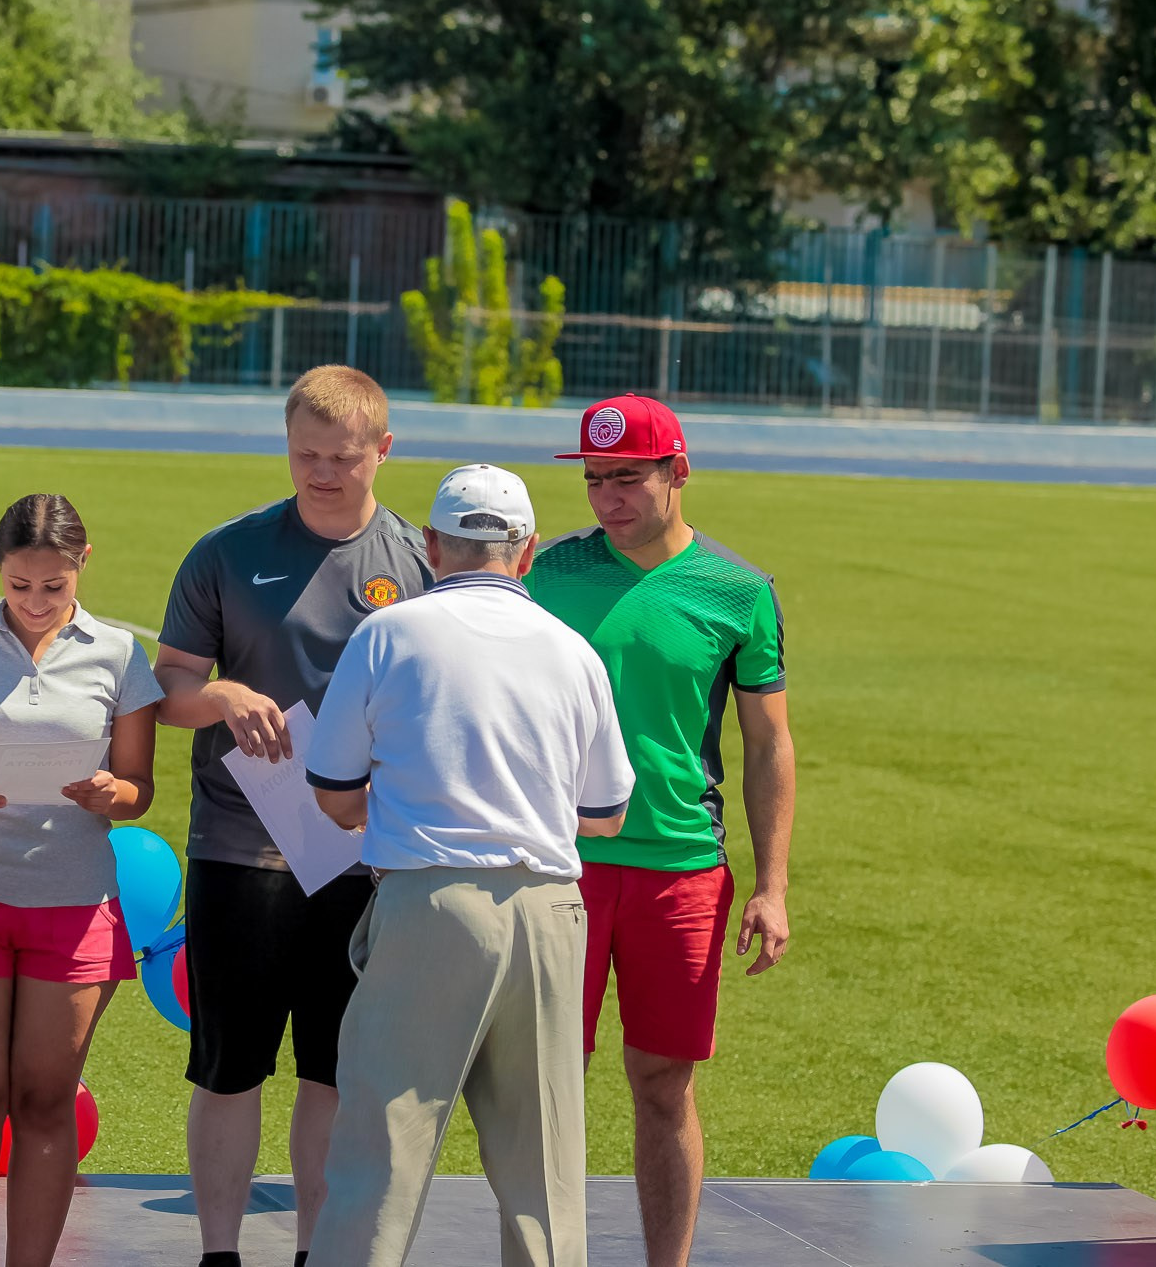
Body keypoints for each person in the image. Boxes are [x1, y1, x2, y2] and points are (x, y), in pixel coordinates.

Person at [301, 463, 635, 1267]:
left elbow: (334, 793)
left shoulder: (389, 633)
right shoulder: (572, 649)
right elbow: (608, 812)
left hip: (431, 903)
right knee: (545, 1171)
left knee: (382, 1158)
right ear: (527, 553)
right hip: (551, 909)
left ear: (431, 546)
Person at [154, 365, 432, 1267]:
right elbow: (170, 687)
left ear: (383, 450)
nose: (320, 472)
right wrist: (223, 692)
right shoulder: (225, 553)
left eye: (342, 457)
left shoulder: (422, 564)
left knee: (334, 1071)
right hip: (242, 850)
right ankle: (220, 1253)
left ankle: (318, 1251)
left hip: (365, 859)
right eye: (305, 454)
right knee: (230, 1067)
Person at [526, 393, 796, 1267]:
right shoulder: (547, 573)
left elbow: (768, 743)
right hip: (554, 863)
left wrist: (772, 884)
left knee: (663, 1084)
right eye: (596, 480)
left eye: (628, 478)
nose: (609, 497)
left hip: (680, 868)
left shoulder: (740, 591)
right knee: (542, 1084)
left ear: (677, 471)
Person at [0, 492, 161, 1267]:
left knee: (47, 1101)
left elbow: (141, 786)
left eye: (55, 586)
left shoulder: (118, 654)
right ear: (0, 571)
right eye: (20, 586)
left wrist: (111, 794)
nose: (37, 602)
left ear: (85, 565)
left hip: (76, 905)